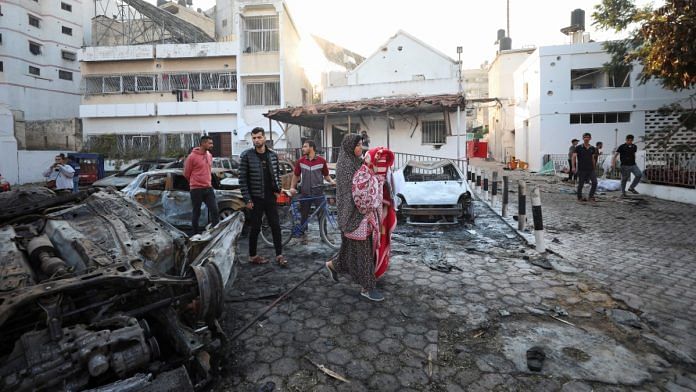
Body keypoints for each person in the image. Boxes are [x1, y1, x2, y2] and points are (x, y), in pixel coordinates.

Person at [325, 135, 392, 302]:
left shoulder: (357, 162)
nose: (360, 148)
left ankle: (333, 265)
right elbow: (357, 190)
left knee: (350, 250)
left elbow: (368, 177)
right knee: (363, 252)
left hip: (361, 213)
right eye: (358, 145)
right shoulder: (345, 165)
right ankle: (367, 287)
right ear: (350, 146)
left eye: (362, 145)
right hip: (352, 215)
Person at [239, 127, 288, 266]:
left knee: (275, 226)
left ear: (264, 138)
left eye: (259, 137)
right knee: (255, 227)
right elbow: (242, 179)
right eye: (254, 138)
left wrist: (278, 188)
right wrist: (247, 199)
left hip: (270, 197)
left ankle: (279, 255)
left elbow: (277, 174)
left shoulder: (272, 155)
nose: (256, 140)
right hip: (255, 198)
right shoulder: (247, 156)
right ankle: (252, 256)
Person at [289, 140, 335, 243]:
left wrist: (332, 181)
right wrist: (292, 187)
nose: (303, 148)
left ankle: (324, 236)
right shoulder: (300, 161)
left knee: (322, 214)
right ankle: (302, 234)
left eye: (305, 146)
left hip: (318, 193)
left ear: (311, 148)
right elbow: (296, 176)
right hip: (305, 192)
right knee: (304, 215)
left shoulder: (321, 161)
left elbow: (326, 176)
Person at [184, 136, 219, 234]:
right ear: (203, 143)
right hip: (196, 189)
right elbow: (186, 173)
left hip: (208, 188)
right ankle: (195, 234)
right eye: (210, 143)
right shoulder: (192, 157)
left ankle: (216, 233)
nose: (212, 145)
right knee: (197, 212)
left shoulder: (209, 155)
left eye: (212, 143)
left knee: (215, 210)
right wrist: (194, 182)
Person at [572, 132, 598, 202]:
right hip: (581, 169)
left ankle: (591, 196)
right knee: (581, 184)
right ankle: (579, 197)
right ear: (583, 138)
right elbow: (573, 157)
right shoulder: (578, 147)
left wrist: (594, 167)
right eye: (585, 137)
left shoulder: (592, 148)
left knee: (595, 182)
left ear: (590, 138)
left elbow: (593, 158)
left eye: (588, 137)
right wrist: (573, 167)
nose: (586, 138)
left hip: (591, 169)